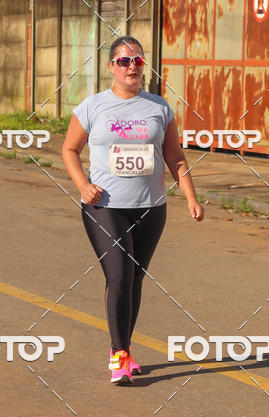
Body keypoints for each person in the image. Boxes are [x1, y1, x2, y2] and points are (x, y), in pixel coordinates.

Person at [62, 36, 205, 385]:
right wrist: (83, 185)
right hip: (105, 207)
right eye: (124, 61)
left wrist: (190, 196)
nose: (132, 67)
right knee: (120, 275)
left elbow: (175, 156)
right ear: (111, 66)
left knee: (135, 278)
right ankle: (119, 354)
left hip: (150, 208)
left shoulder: (159, 107)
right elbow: (69, 149)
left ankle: (125, 348)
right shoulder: (92, 107)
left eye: (138, 61)